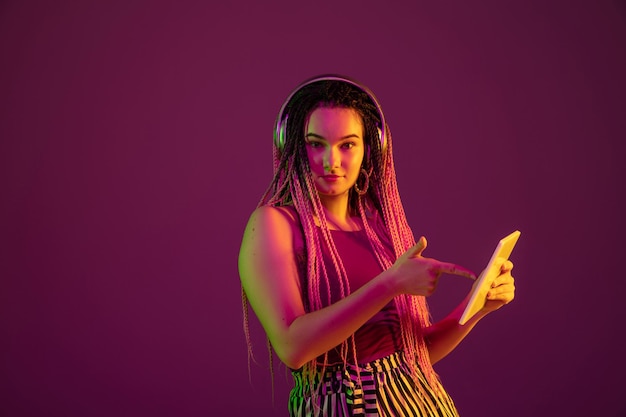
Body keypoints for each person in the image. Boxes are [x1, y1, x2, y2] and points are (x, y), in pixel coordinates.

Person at [238, 75, 515, 416]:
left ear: (370, 148)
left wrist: (477, 308)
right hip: (345, 405)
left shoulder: (379, 227)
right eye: (316, 143)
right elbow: (293, 346)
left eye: (347, 145)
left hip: (424, 400)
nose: (331, 161)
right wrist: (391, 283)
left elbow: (415, 352)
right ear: (295, 146)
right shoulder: (274, 224)